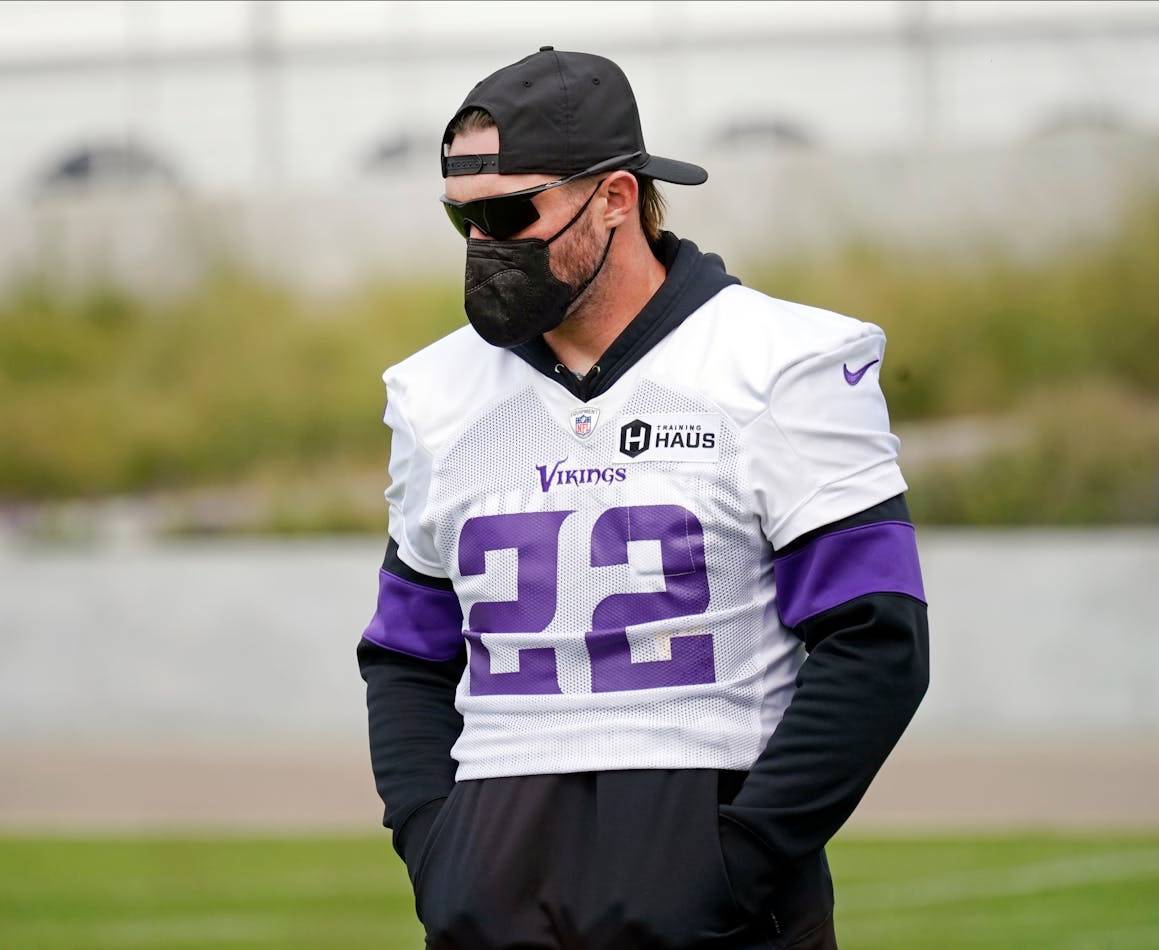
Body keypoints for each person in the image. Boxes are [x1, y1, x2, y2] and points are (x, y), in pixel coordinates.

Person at [358, 46, 929, 950]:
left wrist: (742, 854)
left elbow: (876, 642)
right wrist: (438, 846)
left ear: (616, 197)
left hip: (717, 889)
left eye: (510, 212)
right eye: (460, 218)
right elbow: (403, 656)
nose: (482, 244)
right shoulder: (435, 395)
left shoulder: (782, 363)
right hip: (495, 890)